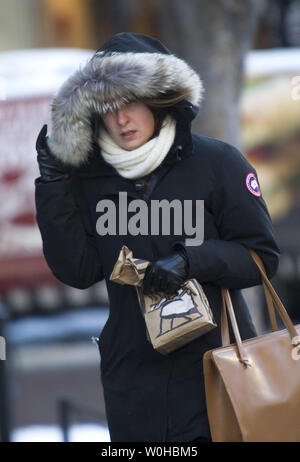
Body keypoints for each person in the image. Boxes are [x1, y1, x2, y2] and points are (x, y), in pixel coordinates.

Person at [34, 32, 280, 443]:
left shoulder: (217, 163)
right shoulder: (92, 180)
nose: (121, 120)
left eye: (130, 102)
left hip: (218, 369)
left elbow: (261, 258)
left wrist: (191, 261)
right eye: (107, 108)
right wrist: (54, 183)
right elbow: (76, 271)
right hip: (132, 381)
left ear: (160, 97)